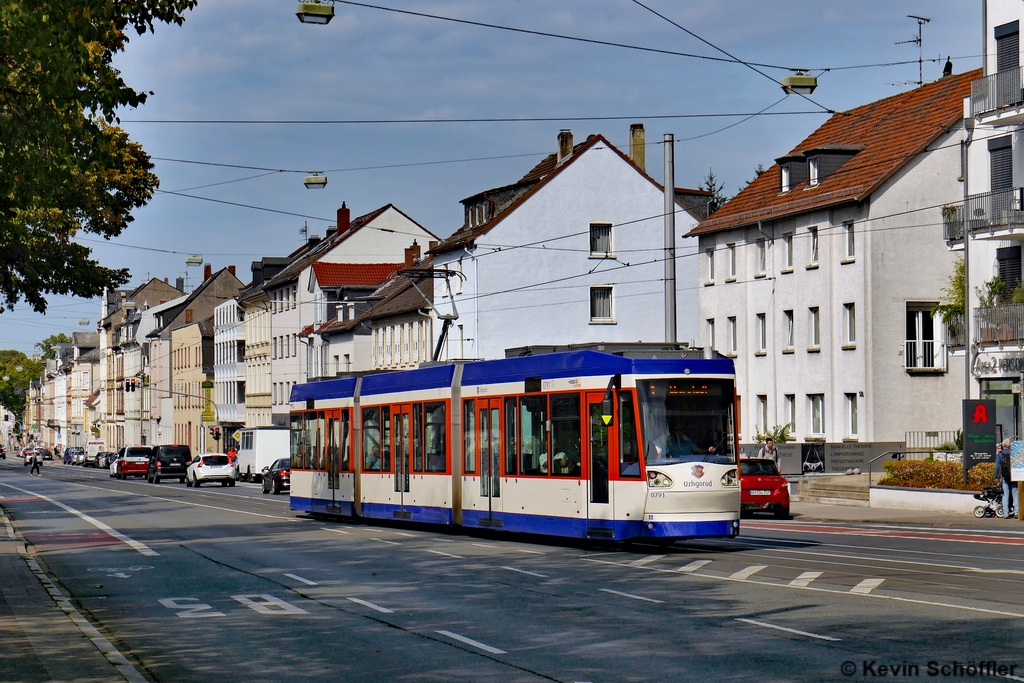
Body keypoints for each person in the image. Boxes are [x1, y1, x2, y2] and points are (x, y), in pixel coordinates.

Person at [995, 439, 1017, 518]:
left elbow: (997, 466)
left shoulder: (1000, 454)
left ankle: (1005, 513)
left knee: (1005, 495)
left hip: (1005, 477)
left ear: (1003, 445)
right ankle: (1017, 513)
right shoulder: (1013, 453)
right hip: (1014, 476)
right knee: (1015, 494)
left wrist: (996, 476)